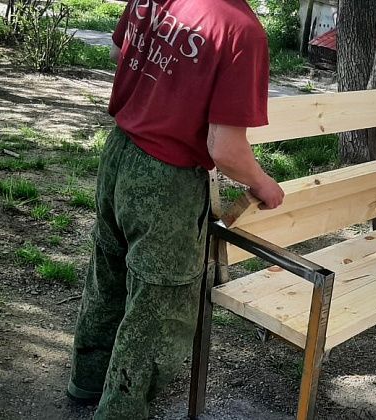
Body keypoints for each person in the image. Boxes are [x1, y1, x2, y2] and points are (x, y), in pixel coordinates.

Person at [66, 0, 284, 417]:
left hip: (119, 153)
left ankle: (87, 381)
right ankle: (121, 412)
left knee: (109, 270)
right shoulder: (242, 31)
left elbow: (119, 54)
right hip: (166, 181)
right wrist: (262, 184)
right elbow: (225, 150)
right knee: (158, 307)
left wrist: (164, 90)